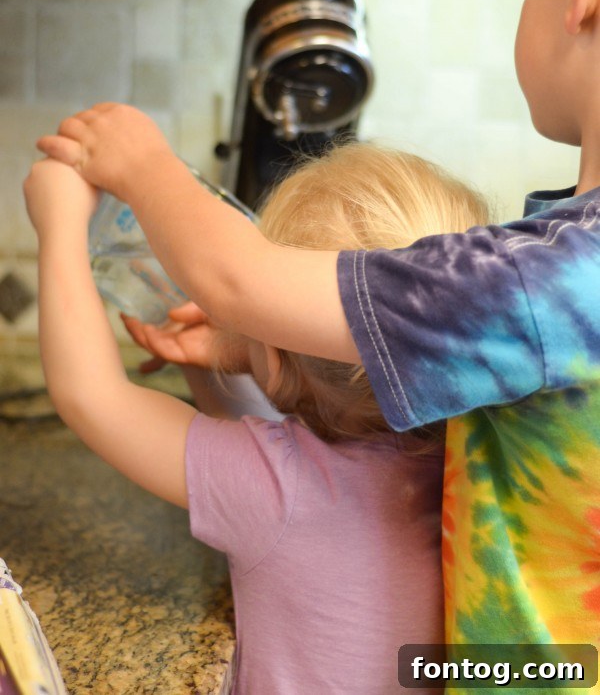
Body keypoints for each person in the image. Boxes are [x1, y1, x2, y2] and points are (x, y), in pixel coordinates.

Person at [32, 0, 600, 679]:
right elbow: (354, 342)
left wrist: (113, 183)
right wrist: (248, 346)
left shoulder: (547, 279)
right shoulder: (507, 355)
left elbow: (228, 288)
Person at [24, 143, 490, 694]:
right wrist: (241, 349)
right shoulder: (477, 451)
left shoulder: (282, 490)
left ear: (274, 350)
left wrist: (60, 225)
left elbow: (91, 396)